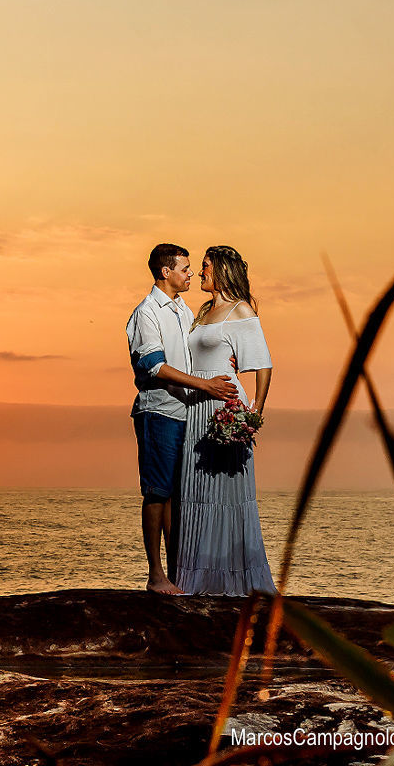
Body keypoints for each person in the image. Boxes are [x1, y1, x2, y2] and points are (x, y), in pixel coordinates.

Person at [126, 243, 238, 595]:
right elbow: (154, 366)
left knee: (176, 493)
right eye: (185, 268)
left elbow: (195, 352)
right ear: (166, 272)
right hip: (158, 411)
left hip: (184, 412)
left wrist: (223, 364)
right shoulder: (147, 312)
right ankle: (156, 575)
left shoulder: (181, 309)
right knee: (157, 492)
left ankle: (177, 573)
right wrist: (205, 384)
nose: (191, 273)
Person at [175, 245, 277, 596]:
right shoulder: (203, 312)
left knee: (227, 494)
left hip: (225, 409)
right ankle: (197, 576)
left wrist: (253, 414)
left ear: (220, 269)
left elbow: (262, 365)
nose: (200, 273)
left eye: (204, 266)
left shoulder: (240, 310)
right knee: (197, 493)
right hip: (197, 407)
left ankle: (233, 578)